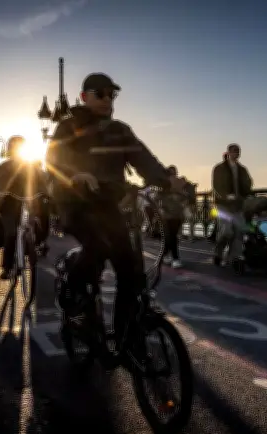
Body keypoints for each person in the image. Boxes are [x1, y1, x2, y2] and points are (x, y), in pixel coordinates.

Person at [46, 72, 184, 350]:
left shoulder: (120, 129)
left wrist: (168, 181)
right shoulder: (67, 127)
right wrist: (75, 176)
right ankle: (73, 291)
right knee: (98, 246)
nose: (108, 99)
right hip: (75, 204)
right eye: (101, 94)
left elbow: (143, 159)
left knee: (131, 270)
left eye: (112, 94)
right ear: (85, 97)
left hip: (108, 206)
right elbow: (53, 161)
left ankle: (126, 335)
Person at [0, 136, 47, 279]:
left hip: (29, 200)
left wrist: (46, 193)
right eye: (13, 146)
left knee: (36, 223)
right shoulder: (5, 166)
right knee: (10, 233)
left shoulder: (31, 166)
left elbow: (41, 180)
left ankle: (35, 246)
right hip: (9, 202)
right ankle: (7, 267)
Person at [212, 144, 253, 272]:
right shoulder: (219, 168)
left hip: (238, 205)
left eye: (238, 152)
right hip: (223, 204)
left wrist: (246, 192)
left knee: (239, 231)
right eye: (234, 151)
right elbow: (216, 185)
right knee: (226, 231)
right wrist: (225, 196)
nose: (236, 153)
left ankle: (234, 258)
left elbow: (248, 183)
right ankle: (218, 253)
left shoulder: (242, 169)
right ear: (228, 152)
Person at [158, 165, 188, 268]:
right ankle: (175, 258)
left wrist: (181, 197)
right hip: (167, 214)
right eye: (171, 173)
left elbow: (187, 195)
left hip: (177, 213)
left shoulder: (180, 182)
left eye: (174, 172)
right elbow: (158, 197)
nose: (173, 174)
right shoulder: (163, 184)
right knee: (172, 236)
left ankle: (165, 254)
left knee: (171, 237)